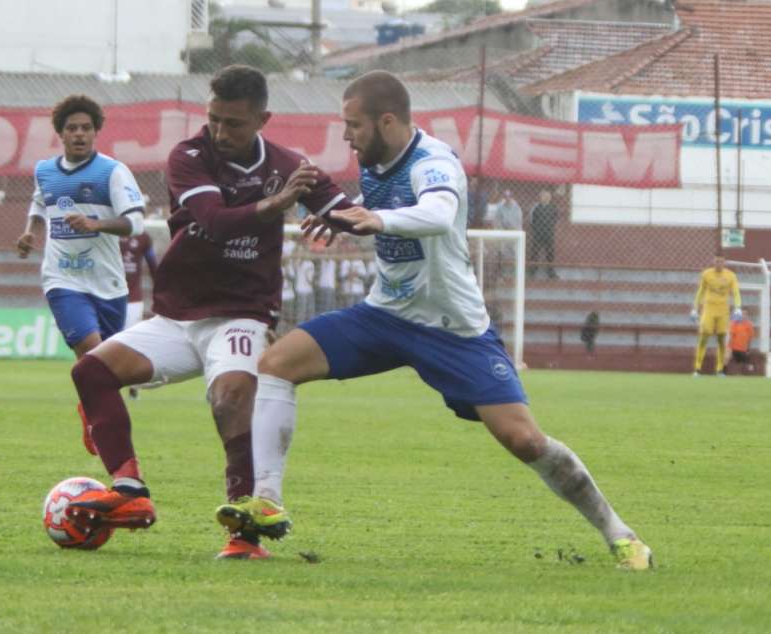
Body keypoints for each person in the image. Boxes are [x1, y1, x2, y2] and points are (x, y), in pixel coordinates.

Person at [215, 70, 653, 571]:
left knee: (525, 440)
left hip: (452, 330)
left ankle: (620, 534)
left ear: (387, 121)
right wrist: (346, 216)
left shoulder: (433, 160)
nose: (346, 136)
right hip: (384, 316)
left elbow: (439, 213)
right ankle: (267, 499)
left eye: (353, 125)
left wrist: (376, 220)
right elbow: (384, 216)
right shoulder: (376, 161)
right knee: (276, 363)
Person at [63, 65, 354, 560]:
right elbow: (214, 222)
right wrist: (281, 201)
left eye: (233, 123)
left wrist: (346, 218)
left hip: (240, 313)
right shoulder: (189, 156)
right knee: (90, 372)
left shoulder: (288, 163)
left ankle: (244, 528)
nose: (220, 132)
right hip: (177, 317)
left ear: (263, 118)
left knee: (231, 397)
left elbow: (344, 208)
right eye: (213, 118)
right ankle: (129, 489)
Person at [16, 95, 147, 454]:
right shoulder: (45, 170)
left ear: (96, 132)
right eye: (72, 128)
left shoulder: (112, 172)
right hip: (63, 280)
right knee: (90, 351)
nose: (79, 134)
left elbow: (135, 222)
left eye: (86, 128)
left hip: (108, 284)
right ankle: (100, 427)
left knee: (108, 370)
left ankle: (88, 407)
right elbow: (40, 200)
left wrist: (95, 223)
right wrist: (31, 230)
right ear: (60, 133)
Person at [120, 230, 159, 398]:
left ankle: (133, 387)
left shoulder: (143, 236)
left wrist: (161, 291)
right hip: (109, 296)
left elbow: (153, 266)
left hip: (133, 299)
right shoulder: (107, 231)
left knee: (132, 344)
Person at [691, 254, 742, 377]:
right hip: (709, 309)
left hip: (723, 310)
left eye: (721, 261)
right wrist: (694, 309)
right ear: (713, 262)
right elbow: (700, 291)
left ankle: (720, 370)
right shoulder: (706, 274)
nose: (719, 263)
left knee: (721, 339)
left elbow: (736, 292)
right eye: (717, 261)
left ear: (724, 262)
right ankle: (697, 369)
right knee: (704, 336)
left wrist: (738, 307)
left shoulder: (730, 276)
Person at [490, 188, 523, 278]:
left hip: (514, 233)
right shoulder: (500, 207)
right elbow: (496, 221)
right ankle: (501, 273)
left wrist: (511, 228)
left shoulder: (516, 207)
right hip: (503, 232)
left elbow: (518, 222)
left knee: (516, 253)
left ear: (512, 197)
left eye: (509, 197)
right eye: (506, 197)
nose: (507, 198)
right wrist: (501, 229)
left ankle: (517, 273)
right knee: (500, 252)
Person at [528, 189, 558, 279]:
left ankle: (551, 271)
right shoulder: (536, 208)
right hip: (538, 234)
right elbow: (532, 220)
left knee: (550, 253)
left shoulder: (553, 208)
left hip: (549, 233)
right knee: (534, 252)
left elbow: (555, 219)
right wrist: (537, 228)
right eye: (543, 196)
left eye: (547, 196)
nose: (545, 198)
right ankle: (532, 271)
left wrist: (549, 227)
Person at [726, 311, 754, 375]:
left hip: (743, 348)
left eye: (745, 315)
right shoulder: (735, 323)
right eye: (742, 315)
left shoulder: (749, 325)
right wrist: (729, 346)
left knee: (744, 361)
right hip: (733, 347)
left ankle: (748, 372)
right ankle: (724, 372)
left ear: (747, 316)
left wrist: (748, 348)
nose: (743, 316)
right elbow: (731, 335)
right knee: (730, 359)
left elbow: (750, 337)